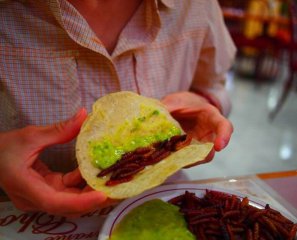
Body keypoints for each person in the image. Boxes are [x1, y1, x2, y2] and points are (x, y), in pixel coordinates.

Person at [0, 0, 236, 217]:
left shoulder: (196, 5)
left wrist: (205, 103)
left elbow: (214, 84)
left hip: (169, 205)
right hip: (23, 218)